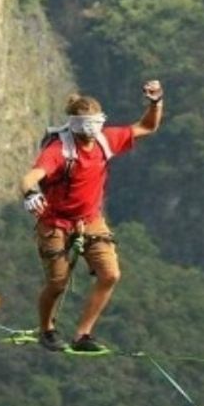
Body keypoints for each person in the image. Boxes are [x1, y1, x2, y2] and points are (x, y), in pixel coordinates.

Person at [20, 80, 164, 352]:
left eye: (93, 125)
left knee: (110, 274)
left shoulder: (104, 140)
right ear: (74, 124)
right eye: (84, 126)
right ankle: (46, 329)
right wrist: (31, 194)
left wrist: (156, 102)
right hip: (56, 222)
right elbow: (31, 177)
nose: (89, 133)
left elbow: (147, 126)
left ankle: (83, 334)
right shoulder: (59, 151)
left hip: (89, 219)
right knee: (57, 282)